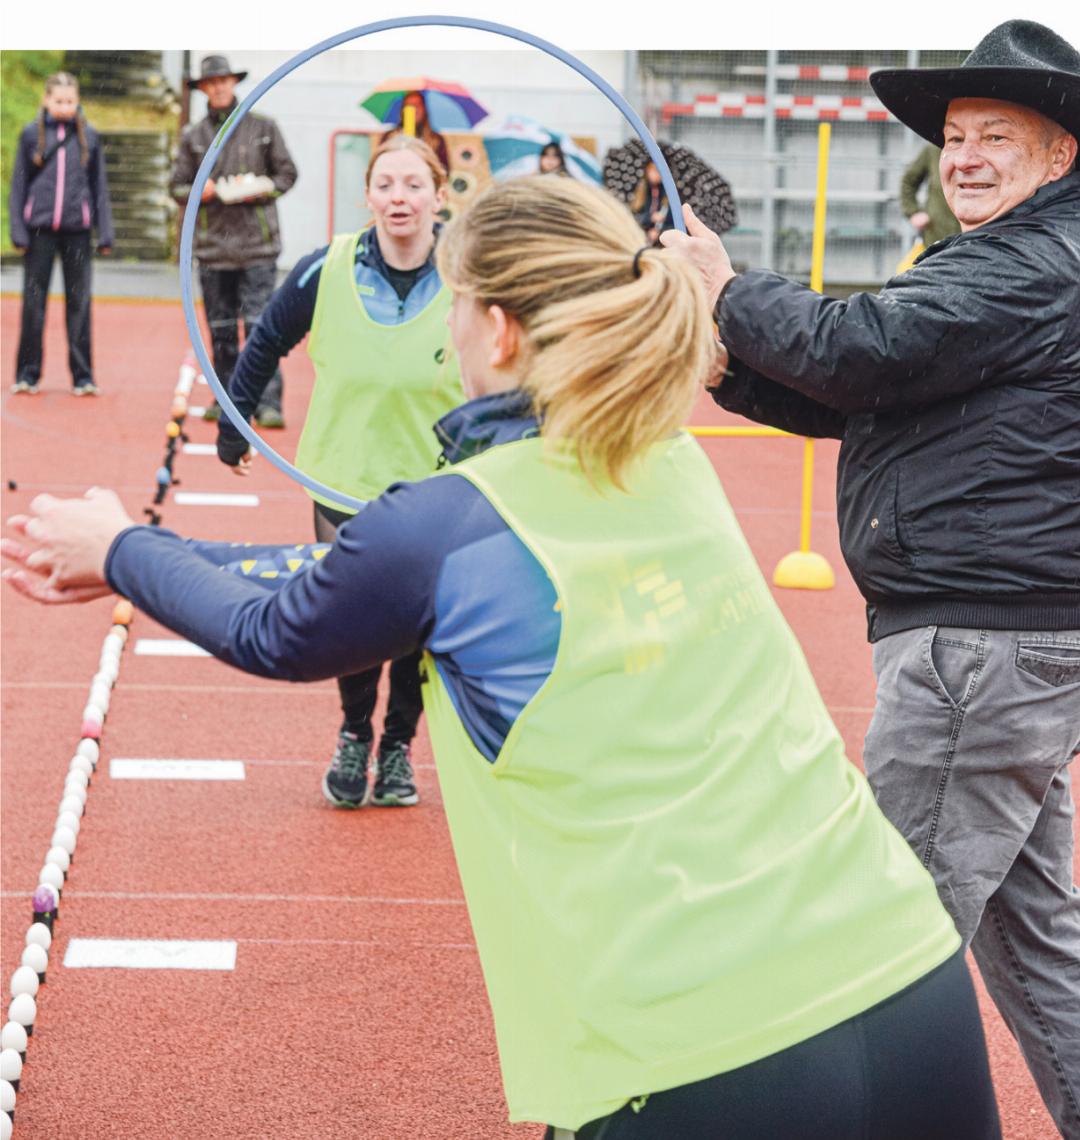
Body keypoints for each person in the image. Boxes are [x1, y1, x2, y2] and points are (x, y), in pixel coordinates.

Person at [5, 176, 1001, 1140]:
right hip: (911, 984)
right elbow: (355, 571)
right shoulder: (668, 453)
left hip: (699, 1046)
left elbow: (290, 625)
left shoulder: (452, 523)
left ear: (500, 329)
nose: (445, 327)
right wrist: (139, 560)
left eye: (457, 301)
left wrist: (126, 550)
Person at [662, 18, 1080, 1137]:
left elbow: (866, 348)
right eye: (955, 135)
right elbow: (863, 389)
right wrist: (723, 357)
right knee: (1039, 953)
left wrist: (727, 288)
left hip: (980, 651)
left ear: (1062, 156)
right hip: (1001, 647)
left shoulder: (1036, 260)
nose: (966, 155)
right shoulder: (1018, 257)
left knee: (867, 947)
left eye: (999, 133)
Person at [215, 136, 465, 810]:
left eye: (414, 185)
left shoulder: (471, 270)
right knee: (357, 620)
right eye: (385, 184)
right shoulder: (325, 267)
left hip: (436, 482)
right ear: (368, 195)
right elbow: (266, 338)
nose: (399, 198)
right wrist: (234, 420)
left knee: (419, 629)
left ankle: (398, 748)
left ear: (440, 195)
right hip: (342, 476)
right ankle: (356, 732)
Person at [170, 54, 298, 427]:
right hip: (212, 249)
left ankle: (267, 402)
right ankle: (226, 398)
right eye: (211, 83)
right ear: (204, 89)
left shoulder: (263, 127)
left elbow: (287, 175)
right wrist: (201, 190)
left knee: (261, 327)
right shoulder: (193, 136)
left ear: (233, 83)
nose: (219, 87)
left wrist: (259, 188)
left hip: (258, 247)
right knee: (221, 329)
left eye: (223, 81)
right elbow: (176, 186)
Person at [8, 71, 114, 396]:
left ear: (77, 101)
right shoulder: (31, 135)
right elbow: (19, 185)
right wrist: (18, 229)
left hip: (77, 233)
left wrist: (105, 231)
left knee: (79, 304)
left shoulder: (89, 136)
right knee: (33, 304)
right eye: (59, 100)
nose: (65, 107)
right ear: (46, 100)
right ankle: (28, 374)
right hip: (38, 231)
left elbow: (99, 187)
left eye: (70, 101)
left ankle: (83, 376)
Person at [898, 142, 960, 247]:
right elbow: (909, 181)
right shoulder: (934, 149)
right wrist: (913, 212)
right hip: (937, 233)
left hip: (975, 238)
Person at [380, 92, 450, 175]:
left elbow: (444, 171)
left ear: (425, 109)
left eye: (417, 105)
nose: (414, 109)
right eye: (409, 105)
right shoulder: (389, 138)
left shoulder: (436, 140)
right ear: (402, 111)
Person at [630, 161, 672, 244]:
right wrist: (650, 218)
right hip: (639, 237)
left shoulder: (668, 194)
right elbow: (633, 217)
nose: (655, 174)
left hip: (658, 242)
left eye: (658, 171)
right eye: (652, 170)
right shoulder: (640, 190)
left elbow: (671, 223)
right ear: (647, 171)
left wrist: (659, 232)